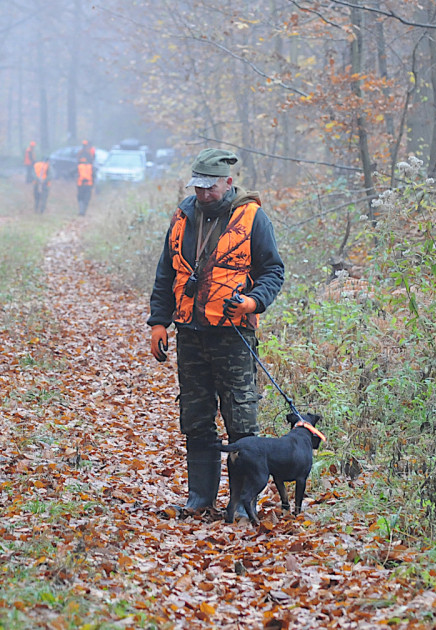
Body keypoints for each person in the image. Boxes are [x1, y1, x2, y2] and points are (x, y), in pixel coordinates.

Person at [147, 148, 284, 519]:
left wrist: (254, 303)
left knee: (242, 420)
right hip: (190, 333)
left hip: (232, 335)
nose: (204, 194)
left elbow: (273, 271)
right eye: (199, 187)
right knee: (196, 417)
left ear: (228, 182)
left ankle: (242, 503)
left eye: (210, 188)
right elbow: (166, 273)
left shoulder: (253, 218)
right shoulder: (183, 216)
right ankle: (199, 500)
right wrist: (159, 322)